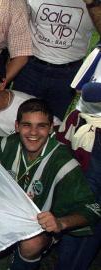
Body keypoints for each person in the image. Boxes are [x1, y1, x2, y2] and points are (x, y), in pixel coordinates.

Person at [0, 98, 100, 270]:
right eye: (27, 125)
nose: (33, 132)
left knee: (31, 244)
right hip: (6, 211)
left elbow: (93, 210)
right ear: (17, 126)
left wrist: (60, 223)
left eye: (41, 126)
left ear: (50, 128)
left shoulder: (63, 163)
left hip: (39, 225)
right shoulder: (6, 144)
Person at [13, 0, 101, 120]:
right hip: (31, 68)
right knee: (20, 116)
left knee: (53, 120)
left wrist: (92, 5)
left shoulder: (93, 4)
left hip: (67, 73)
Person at [55, 82, 101, 270]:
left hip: (78, 179)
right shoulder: (77, 118)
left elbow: (60, 143)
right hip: (81, 180)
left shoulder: (76, 116)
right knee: (85, 226)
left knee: (82, 225)